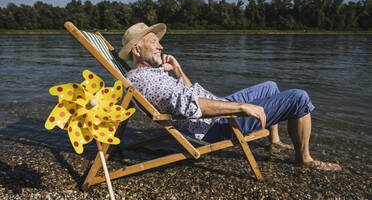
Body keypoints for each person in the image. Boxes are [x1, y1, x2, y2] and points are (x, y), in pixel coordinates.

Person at [118, 22, 341, 171]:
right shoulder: (145, 79)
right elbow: (188, 105)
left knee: (270, 86)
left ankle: (274, 141)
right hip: (215, 126)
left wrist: (178, 71)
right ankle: (304, 159)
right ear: (137, 50)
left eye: (158, 41)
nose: (160, 45)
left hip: (217, 110)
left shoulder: (150, 74)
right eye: (153, 42)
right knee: (298, 98)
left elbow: (188, 93)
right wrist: (241, 107)